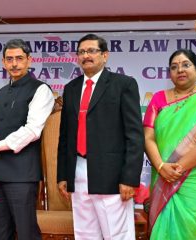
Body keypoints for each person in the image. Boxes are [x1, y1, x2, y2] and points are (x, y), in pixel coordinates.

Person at [57, 33, 144, 240]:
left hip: (112, 176)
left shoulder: (123, 84)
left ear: (105, 56)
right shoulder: (71, 89)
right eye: (81, 52)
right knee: (85, 234)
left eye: (92, 51)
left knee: (117, 235)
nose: (86, 56)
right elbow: (65, 136)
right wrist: (63, 175)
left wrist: (130, 178)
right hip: (77, 171)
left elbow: (134, 135)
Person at [0, 39, 55, 240]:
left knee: (26, 232)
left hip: (22, 175)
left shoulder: (40, 89)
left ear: (29, 60)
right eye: (9, 59)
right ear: (3, 62)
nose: (14, 64)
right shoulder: (0, 94)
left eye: (19, 58)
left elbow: (33, 130)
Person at [144, 49, 196, 240]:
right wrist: (161, 166)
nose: (180, 70)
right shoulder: (158, 98)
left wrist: (177, 168)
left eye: (185, 65)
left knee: (195, 228)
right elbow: (148, 137)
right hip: (163, 174)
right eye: (174, 67)